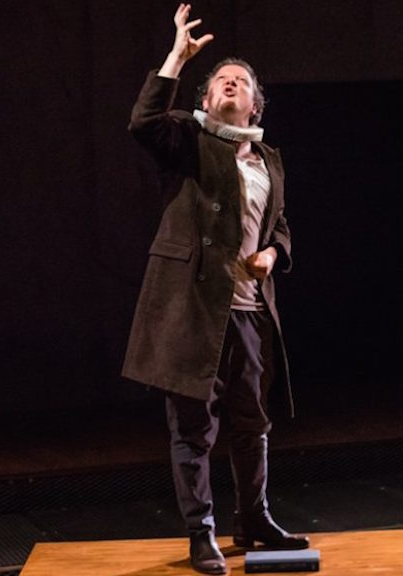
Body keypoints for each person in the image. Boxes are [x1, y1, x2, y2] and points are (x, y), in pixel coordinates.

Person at [122, 4, 307, 574]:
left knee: (253, 426)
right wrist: (177, 57)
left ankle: (254, 520)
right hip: (193, 313)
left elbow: (279, 224)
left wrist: (273, 253)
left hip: (249, 314)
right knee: (194, 431)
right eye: (221, 80)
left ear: (255, 105)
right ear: (205, 100)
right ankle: (201, 533)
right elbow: (143, 122)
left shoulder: (268, 161)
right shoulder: (187, 140)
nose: (231, 83)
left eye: (242, 81)